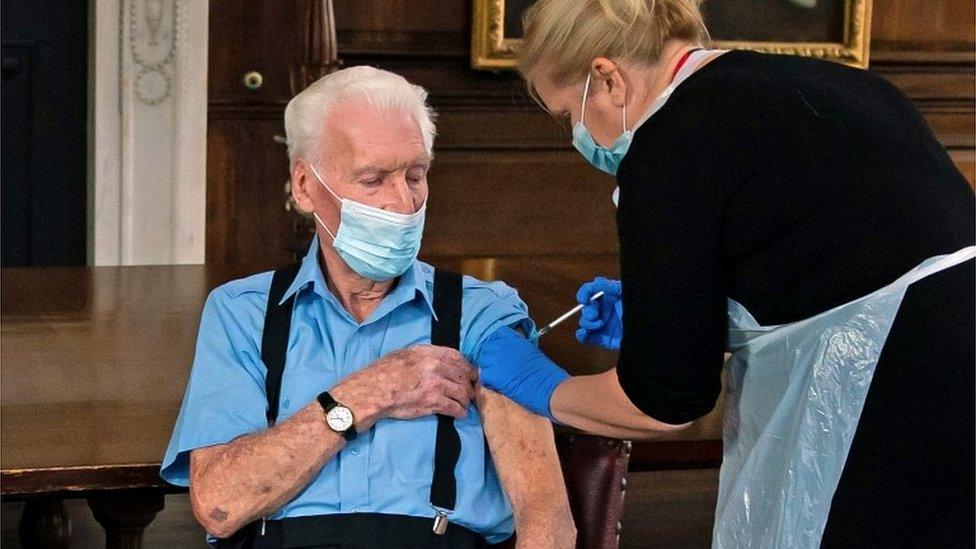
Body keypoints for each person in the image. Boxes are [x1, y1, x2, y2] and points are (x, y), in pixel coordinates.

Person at [474, 0, 976, 546]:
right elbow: (822, 260)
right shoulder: (831, 84)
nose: (576, 133)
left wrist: (543, 385)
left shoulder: (668, 149)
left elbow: (663, 406)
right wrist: (693, 310)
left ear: (607, 78)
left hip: (900, 395)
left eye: (567, 113)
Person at [160, 66, 575, 549]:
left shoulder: (482, 314)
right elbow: (219, 505)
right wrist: (368, 394)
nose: (403, 203)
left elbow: (546, 517)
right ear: (304, 186)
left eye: (415, 175)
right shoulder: (242, 314)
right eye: (373, 179)